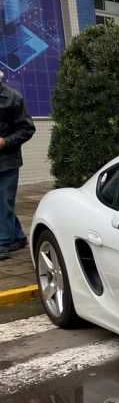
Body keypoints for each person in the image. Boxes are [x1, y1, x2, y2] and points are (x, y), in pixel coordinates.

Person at [0, 71, 36, 261]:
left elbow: (27, 129)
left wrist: (5, 141)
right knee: (2, 202)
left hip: (7, 162)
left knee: (4, 201)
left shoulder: (13, 97)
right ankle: (19, 237)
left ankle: (2, 244)